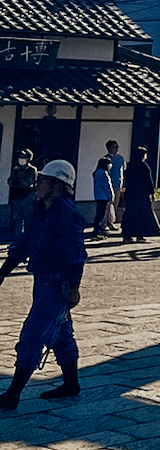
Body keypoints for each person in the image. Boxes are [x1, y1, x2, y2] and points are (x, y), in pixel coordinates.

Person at [0, 159, 85, 407]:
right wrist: (4, 271)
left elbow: (75, 255)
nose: (37, 185)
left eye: (43, 181)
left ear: (57, 186)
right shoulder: (40, 211)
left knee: (33, 334)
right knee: (61, 334)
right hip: (43, 279)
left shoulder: (68, 216)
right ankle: (71, 383)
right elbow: (24, 244)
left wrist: (73, 287)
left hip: (57, 283)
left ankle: (13, 394)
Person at [120, 147, 160, 244]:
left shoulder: (129, 166)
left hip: (130, 194)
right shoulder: (143, 167)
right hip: (141, 194)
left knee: (130, 213)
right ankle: (139, 234)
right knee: (141, 214)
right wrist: (152, 192)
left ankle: (127, 235)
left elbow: (126, 180)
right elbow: (148, 181)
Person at [6, 150, 37, 249]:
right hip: (17, 197)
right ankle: (17, 239)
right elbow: (10, 181)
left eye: (24, 158)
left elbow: (28, 181)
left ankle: (28, 240)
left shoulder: (31, 170)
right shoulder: (16, 169)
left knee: (27, 219)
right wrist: (15, 183)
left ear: (28, 159)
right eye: (20, 158)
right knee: (17, 219)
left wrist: (18, 183)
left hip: (28, 197)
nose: (21, 160)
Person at [90, 157, 116, 238]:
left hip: (98, 196)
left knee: (99, 215)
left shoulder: (96, 173)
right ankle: (96, 233)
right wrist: (111, 196)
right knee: (101, 215)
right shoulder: (104, 173)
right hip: (104, 196)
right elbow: (107, 186)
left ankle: (96, 231)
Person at [104, 140, 126, 218]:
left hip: (118, 185)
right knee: (108, 205)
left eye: (117, 147)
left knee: (115, 205)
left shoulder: (120, 158)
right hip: (109, 185)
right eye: (114, 147)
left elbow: (123, 170)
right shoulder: (105, 159)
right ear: (109, 148)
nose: (116, 149)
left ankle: (112, 222)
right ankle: (106, 222)